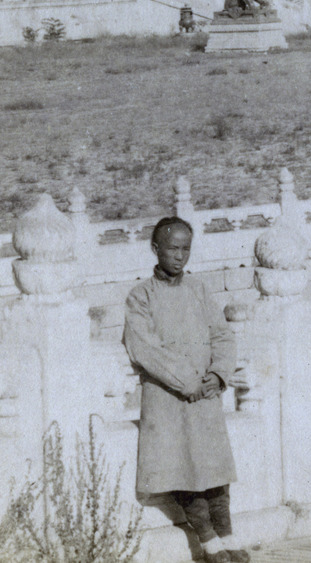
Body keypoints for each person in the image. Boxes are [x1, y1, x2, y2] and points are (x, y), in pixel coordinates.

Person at [123, 216, 248, 563]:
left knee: (215, 470)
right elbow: (144, 348)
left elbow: (222, 335)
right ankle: (208, 542)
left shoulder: (199, 290)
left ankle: (228, 536)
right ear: (156, 249)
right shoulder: (140, 297)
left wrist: (218, 375)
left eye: (186, 249)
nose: (179, 256)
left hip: (205, 397)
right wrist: (188, 382)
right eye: (173, 248)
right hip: (170, 399)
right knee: (186, 471)